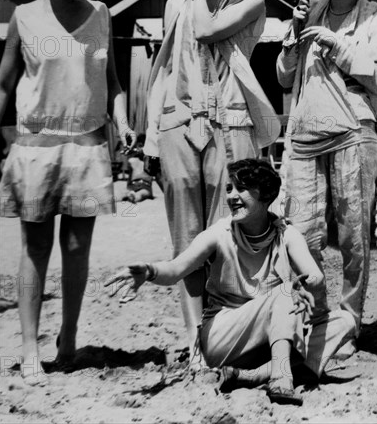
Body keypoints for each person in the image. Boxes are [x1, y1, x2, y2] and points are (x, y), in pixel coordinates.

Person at [0, 0, 136, 386]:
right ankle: (29, 346)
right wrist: (4, 141)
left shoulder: (102, 14)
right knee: (36, 247)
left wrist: (124, 119)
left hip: (88, 145)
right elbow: (4, 84)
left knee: (77, 248)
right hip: (35, 147)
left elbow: (113, 82)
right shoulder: (26, 15)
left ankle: (69, 338)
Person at [105, 159, 355, 406]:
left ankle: (253, 376)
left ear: (265, 195)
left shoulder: (286, 234)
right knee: (284, 295)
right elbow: (175, 270)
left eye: (241, 188)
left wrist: (307, 284)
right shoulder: (219, 233)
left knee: (344, 321)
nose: (232, 196)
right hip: (223, 337)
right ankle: (281, 378)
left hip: (269, 337)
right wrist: (148, 271)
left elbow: (315, 275)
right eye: (229, 189)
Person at [143, 0, 280, 356]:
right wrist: (151, 135)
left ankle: (227, 330)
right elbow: (164, 69)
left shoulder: (251, 1)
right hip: (179, 124)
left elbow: (204, 29)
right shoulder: (175, 3)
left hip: (232, 124)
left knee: (229, 232)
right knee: (186, 237)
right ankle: (193, 338)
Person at [276, 0, 377, 359]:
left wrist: (338, 45)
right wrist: (295, 35)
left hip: (355, 128)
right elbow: (282, 77)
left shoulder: (375, 17)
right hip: (308, 130)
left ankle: (349, 322)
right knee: (303, 230)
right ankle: (316, 315)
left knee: (352, 233)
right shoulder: (310, 12)